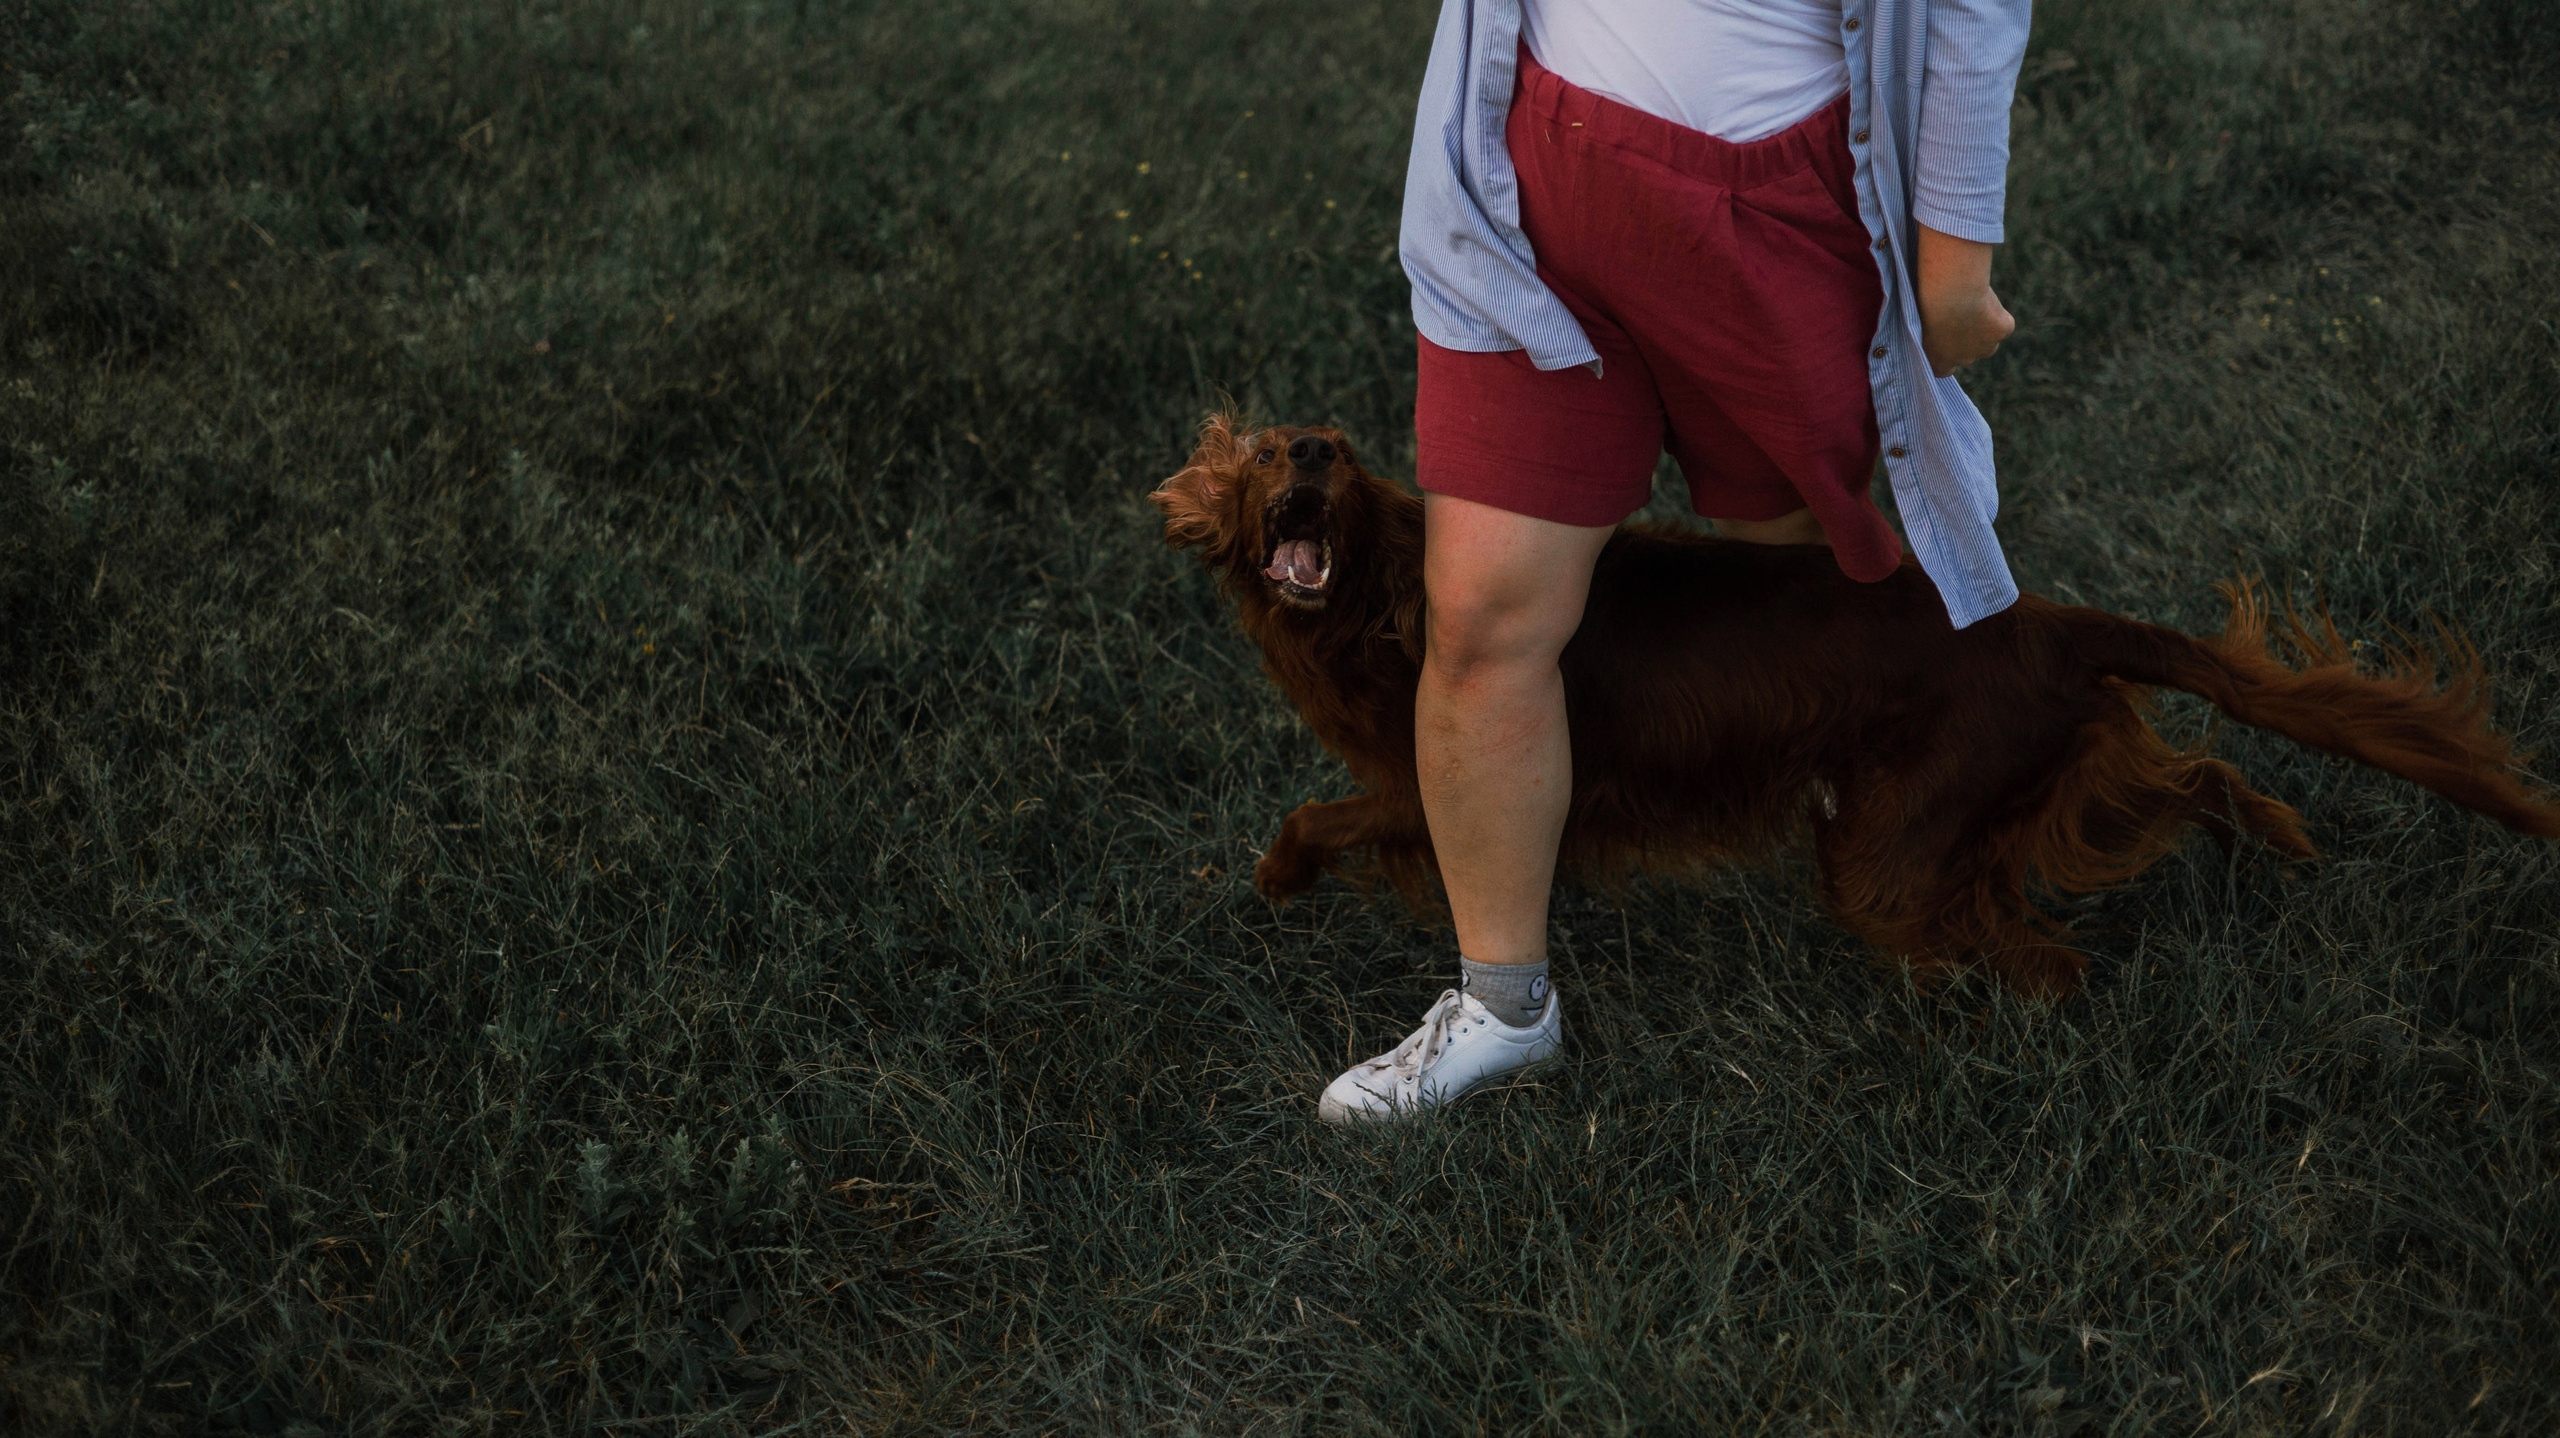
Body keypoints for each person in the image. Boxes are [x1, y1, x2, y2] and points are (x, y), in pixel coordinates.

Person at [1317, 0, 2032, 1124]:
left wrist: (1953, 253)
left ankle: (1854, 797)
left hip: (1777, 203)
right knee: (1480, 615)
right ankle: (1504, 1009)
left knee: (1785, 570)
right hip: (1528, 192)